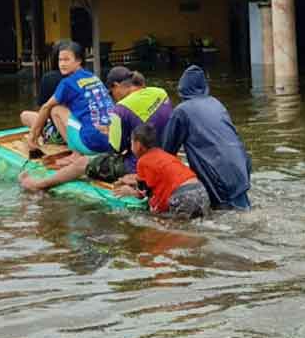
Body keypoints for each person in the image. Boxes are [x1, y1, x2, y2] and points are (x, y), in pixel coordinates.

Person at [19, 41, 115, 192]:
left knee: (55, 109)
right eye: (60, 60)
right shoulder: (93, 77)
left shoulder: (67, 83)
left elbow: (45, 107)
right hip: (111, 141)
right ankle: (76, 150)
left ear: (78, 61)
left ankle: (75, 154)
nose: (62, 64)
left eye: (66, 60)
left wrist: (32, 137)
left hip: (90, 144)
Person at [162, 65, 252, 210]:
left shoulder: (182, 111)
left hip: (218, 174)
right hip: (241, 168)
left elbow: (167, 152)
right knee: (242, 211)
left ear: (181, 88)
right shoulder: (216, 103)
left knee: (226, 219)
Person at [113, 124, 210, 219]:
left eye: (131, 142)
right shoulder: (163, 154)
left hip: (183, 196)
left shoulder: (143, 161)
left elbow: (143, 193)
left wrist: (130, 192)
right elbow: (162, 178)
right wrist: (133, 180)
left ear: (138, 145)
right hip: (200, 191)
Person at [105, 66, 173, 172]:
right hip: (168, 155)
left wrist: (110, 132)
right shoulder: (161, 92)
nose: (112, 97)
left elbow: (116, 150)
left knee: (93, 165)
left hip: (141, 165)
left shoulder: (121, 109)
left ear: (116, 86)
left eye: (111, 92)